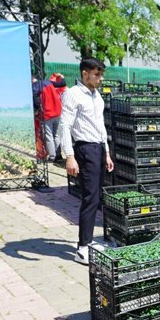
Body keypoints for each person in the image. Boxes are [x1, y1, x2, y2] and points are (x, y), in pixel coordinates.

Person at [59, 58, 114, 265]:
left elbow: (100, 125)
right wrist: (70, 156)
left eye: (101, 74)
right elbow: (65, 126)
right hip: (84, 148)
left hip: (98, 148)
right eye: (96, 74)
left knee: (96, 196)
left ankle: (89, 241)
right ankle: (82, 247)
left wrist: (106, 152)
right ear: (84, 73)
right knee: (90, 197)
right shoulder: (73, 94)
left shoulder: (96, 95)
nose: (100, 78)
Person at [32, 73, 67, 161]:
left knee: (48, 135)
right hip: (58, 111)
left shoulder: (35, 87)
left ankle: (52, 156)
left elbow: (36, 101)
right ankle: (58, 155)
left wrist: (36, 110)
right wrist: (61, 77)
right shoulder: (48, 82)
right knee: (56, 135)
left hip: (47, 113)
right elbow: (62, 84)